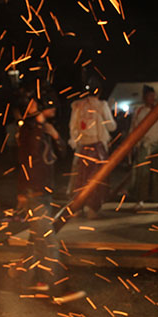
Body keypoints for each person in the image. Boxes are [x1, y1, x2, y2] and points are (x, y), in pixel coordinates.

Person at [13, 94, 64, 286]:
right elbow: (25, 162)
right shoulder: (29, 130)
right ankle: (55, 285)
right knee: (48, 241)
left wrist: (55, 135)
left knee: (36, 239)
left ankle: (22, 275)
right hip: (34, 192)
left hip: (44, 189)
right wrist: (22, 192)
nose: (53, 107)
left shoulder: (45, 129)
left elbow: (61, 153)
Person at [68, 87, 116, 219]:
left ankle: (77, 207)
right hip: (97, 147)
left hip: (82, 147)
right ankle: (91, 208)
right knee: (96, 179)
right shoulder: (101, 105)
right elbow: (112, 126)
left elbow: (73, 127)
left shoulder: (78, 105)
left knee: (80, 179)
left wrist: (75, 141)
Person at [129, 85, 158, 212]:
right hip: (144, 145)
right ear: (144, 98)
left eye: (154, 96)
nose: (152, 98)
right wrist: (134, 144)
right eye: (150, 96)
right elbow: (134, 128)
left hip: (157, 144)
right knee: (142, 173)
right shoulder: (139, 111)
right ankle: (140, 200)